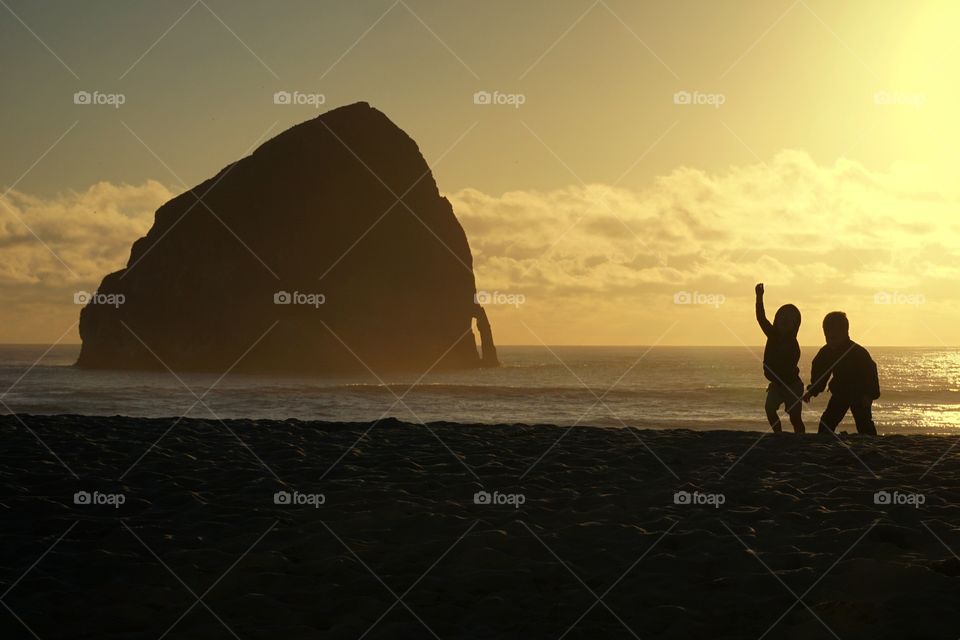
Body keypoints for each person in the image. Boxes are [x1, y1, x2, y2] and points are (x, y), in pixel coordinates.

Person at [802, 311, 879, 435]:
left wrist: (869, 395)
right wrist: (812, 391)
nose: (831, 341)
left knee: (864, 423)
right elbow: (821, 373)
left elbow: (871, 373)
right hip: (840, 392)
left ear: (845, 333)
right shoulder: (826, 352)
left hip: (859, 394)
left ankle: (871, 443)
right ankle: (824, 443)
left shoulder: (858, 352)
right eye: (827, 337)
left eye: (834, 338)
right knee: (827, 422)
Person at [755, 283, 805, 433]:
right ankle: (778, 434)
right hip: (777, 385)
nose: (784, 320)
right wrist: (759, 297)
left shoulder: (793, 344)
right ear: (776, 319)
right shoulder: (772, 334)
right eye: (782, 317)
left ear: (795, 325)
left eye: (790, 319)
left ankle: (801, 438)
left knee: (795, 418)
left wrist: (777, 381)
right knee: (769, 410)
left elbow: (788, 367)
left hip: (792, 386)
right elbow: (761, 318)